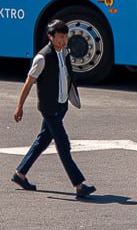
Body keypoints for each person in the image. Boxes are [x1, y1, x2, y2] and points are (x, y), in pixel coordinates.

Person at [10, 20, 95, 199]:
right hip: (50, 108)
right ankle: (79, 185)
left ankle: (20, 174)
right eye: (60, 37)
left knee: (42, 140)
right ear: (51, 36)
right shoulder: (42, 58)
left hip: (61, 105)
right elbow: (28, 83)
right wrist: (19, 107)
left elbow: (66, 76)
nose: (64, 41)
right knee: (63, 145)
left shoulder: (64, 52)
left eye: (65, 37)